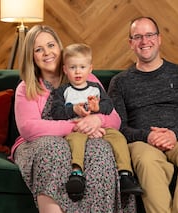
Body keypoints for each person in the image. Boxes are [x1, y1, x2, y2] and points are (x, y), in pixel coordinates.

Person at [9, 25, 136, 213]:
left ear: (59, 48)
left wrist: (97, 120)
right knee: (53, 149)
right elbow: (29, 128)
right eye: (38, 49)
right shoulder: (27, 86)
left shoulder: (84, 77)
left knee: (101, 150)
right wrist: (75, 126)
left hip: (84, 139)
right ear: (31, 56)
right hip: (37, 144)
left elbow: (114, 118)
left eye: (51, 45)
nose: (47, 53)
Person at [108, 17, 178, 213]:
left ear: (159, 39)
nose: (144, 41)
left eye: (149, 35)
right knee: (147, 163)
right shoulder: (120, 82)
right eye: (138, 36)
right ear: (130, 43)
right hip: (142, 142)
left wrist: (173, 134)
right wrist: (148, 136)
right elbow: (117, 126)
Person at [50, 43, 143, 200]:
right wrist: (74, 110)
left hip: (100, 127)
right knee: (75, 141)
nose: (78, 71)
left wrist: (98, 106)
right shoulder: (63, 91)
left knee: (118, 137)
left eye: (82, 67)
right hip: (77, 128)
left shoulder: (96, 88)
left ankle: (125, 174)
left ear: (90, 68)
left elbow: (109, 107)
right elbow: (56, 112)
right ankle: (77, 172)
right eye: (72, 67)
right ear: (65, 69)